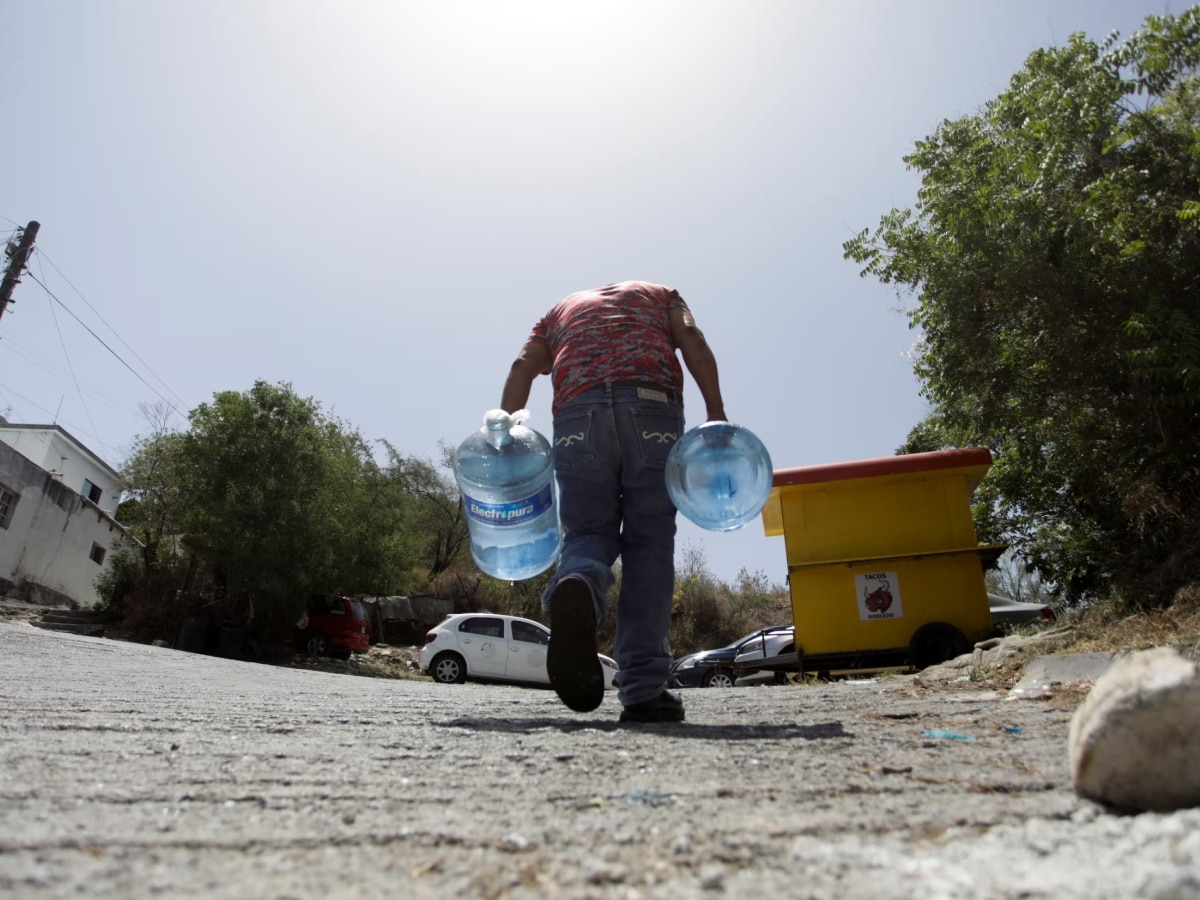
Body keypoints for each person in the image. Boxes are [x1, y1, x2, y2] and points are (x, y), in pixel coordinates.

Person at [499, 280, 727, 723]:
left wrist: (504, 435)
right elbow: (692, 339)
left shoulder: (556, 314)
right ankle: (643, 689)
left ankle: (580, 585)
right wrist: (716, 412)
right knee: (649, 542)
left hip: (577, 418)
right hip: (652, 409)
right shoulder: (663, 295)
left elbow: (522, 364)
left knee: (587, 533)